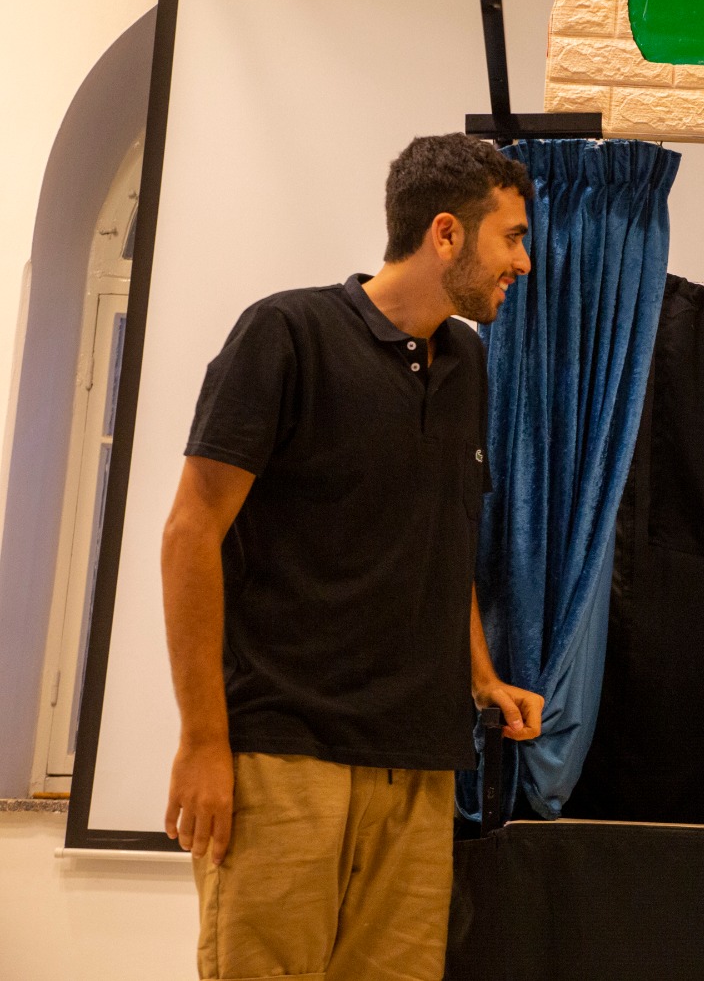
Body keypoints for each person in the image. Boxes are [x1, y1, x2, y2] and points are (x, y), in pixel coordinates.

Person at [161, 133, 545, 981]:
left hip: (420, 766)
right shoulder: (286, 333)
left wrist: (481, 676)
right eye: (512, 237)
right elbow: (190, 534)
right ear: (445, 233)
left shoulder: (468, 363)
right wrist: (203, 742)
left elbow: (441, 538)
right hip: (284, 757)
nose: (523, 261)